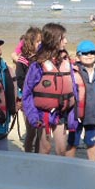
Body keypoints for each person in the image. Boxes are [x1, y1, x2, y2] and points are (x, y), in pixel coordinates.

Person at [22, 23, 78, 155]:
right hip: (43, 115)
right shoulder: (38, 65)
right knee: (44, 148)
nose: (66, 41)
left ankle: (59, 174)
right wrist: (33, 116)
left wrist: (73, 116)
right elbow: (27, 93)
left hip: (61, 113)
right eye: (62, 38)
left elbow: (73, 89)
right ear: (54, 39)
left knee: (61, 149)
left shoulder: (66, 61)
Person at [65, 40, 95, 160]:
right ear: (78, 56)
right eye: (85, 53)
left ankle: (93, 167)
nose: (89, 55)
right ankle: (67, 166)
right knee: (72, 143)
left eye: (92, 52)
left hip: (93, 115)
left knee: (91, 143)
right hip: (76, 116)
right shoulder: (73, 71)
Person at [14, 27, 42, 152]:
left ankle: (37, 153)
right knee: (31, 130)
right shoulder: (22, 60)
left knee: (41, 131)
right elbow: (20, 80)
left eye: (42, 41)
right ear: (30, 43)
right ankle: (28, 153)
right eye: (38, 41)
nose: (40, 44)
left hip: (41, 97)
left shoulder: (42, 58)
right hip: (27, 98)